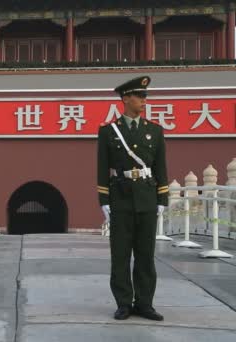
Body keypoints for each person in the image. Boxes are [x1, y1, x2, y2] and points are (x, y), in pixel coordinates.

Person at [97, 76, 169, 321]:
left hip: (147, 199)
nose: (144, 101)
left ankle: (145, 303)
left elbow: (161, 168)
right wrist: (104, 200)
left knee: (145, 255)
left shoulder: (154, 131)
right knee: (120, 254)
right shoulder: (108, 132)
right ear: (125, 99)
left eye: (145, 96)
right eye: (139, 96)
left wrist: (162, 199)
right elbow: (102, 167)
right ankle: (124, 303)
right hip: (121, 198)